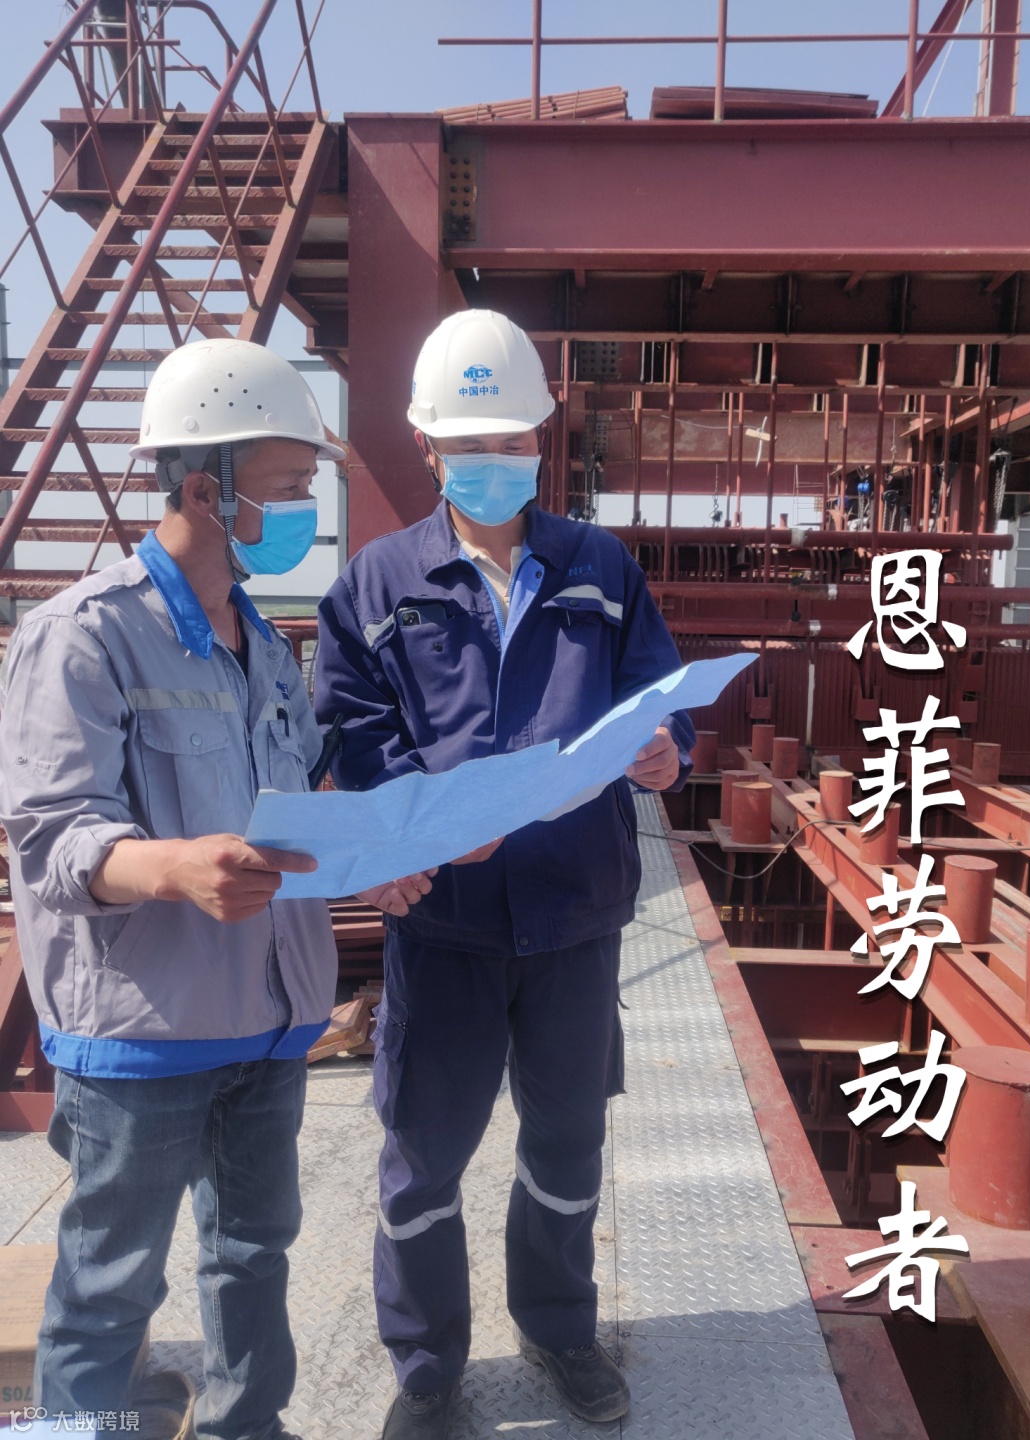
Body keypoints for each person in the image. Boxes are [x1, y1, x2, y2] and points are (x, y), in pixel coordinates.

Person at [315, 310, 695, 1439]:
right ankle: (428, 1370)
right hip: (448, 926)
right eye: (468, 443)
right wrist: (414, 828)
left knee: (567, 1143)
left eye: (512, 439)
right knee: (423, 1157)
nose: (494, 459)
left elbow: (659, 696)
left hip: (576, 916)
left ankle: (560, 1329)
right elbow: (353, 731)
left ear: (541, 437)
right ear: (427, 446)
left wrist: (670, 753)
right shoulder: (377, 583)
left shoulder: (601, 568)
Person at [0, 338, 378, 1438]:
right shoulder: (82, 637)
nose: (305, 507)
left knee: (254, 1253)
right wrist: (172, 867)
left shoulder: (263, 643)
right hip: (145, 1034)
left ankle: (245, 1427)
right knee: (109, 1283)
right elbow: (53, 841)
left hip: (268, 1018)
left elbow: (287, 804)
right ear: (206, 491)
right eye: (289, 485)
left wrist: (374, 852)